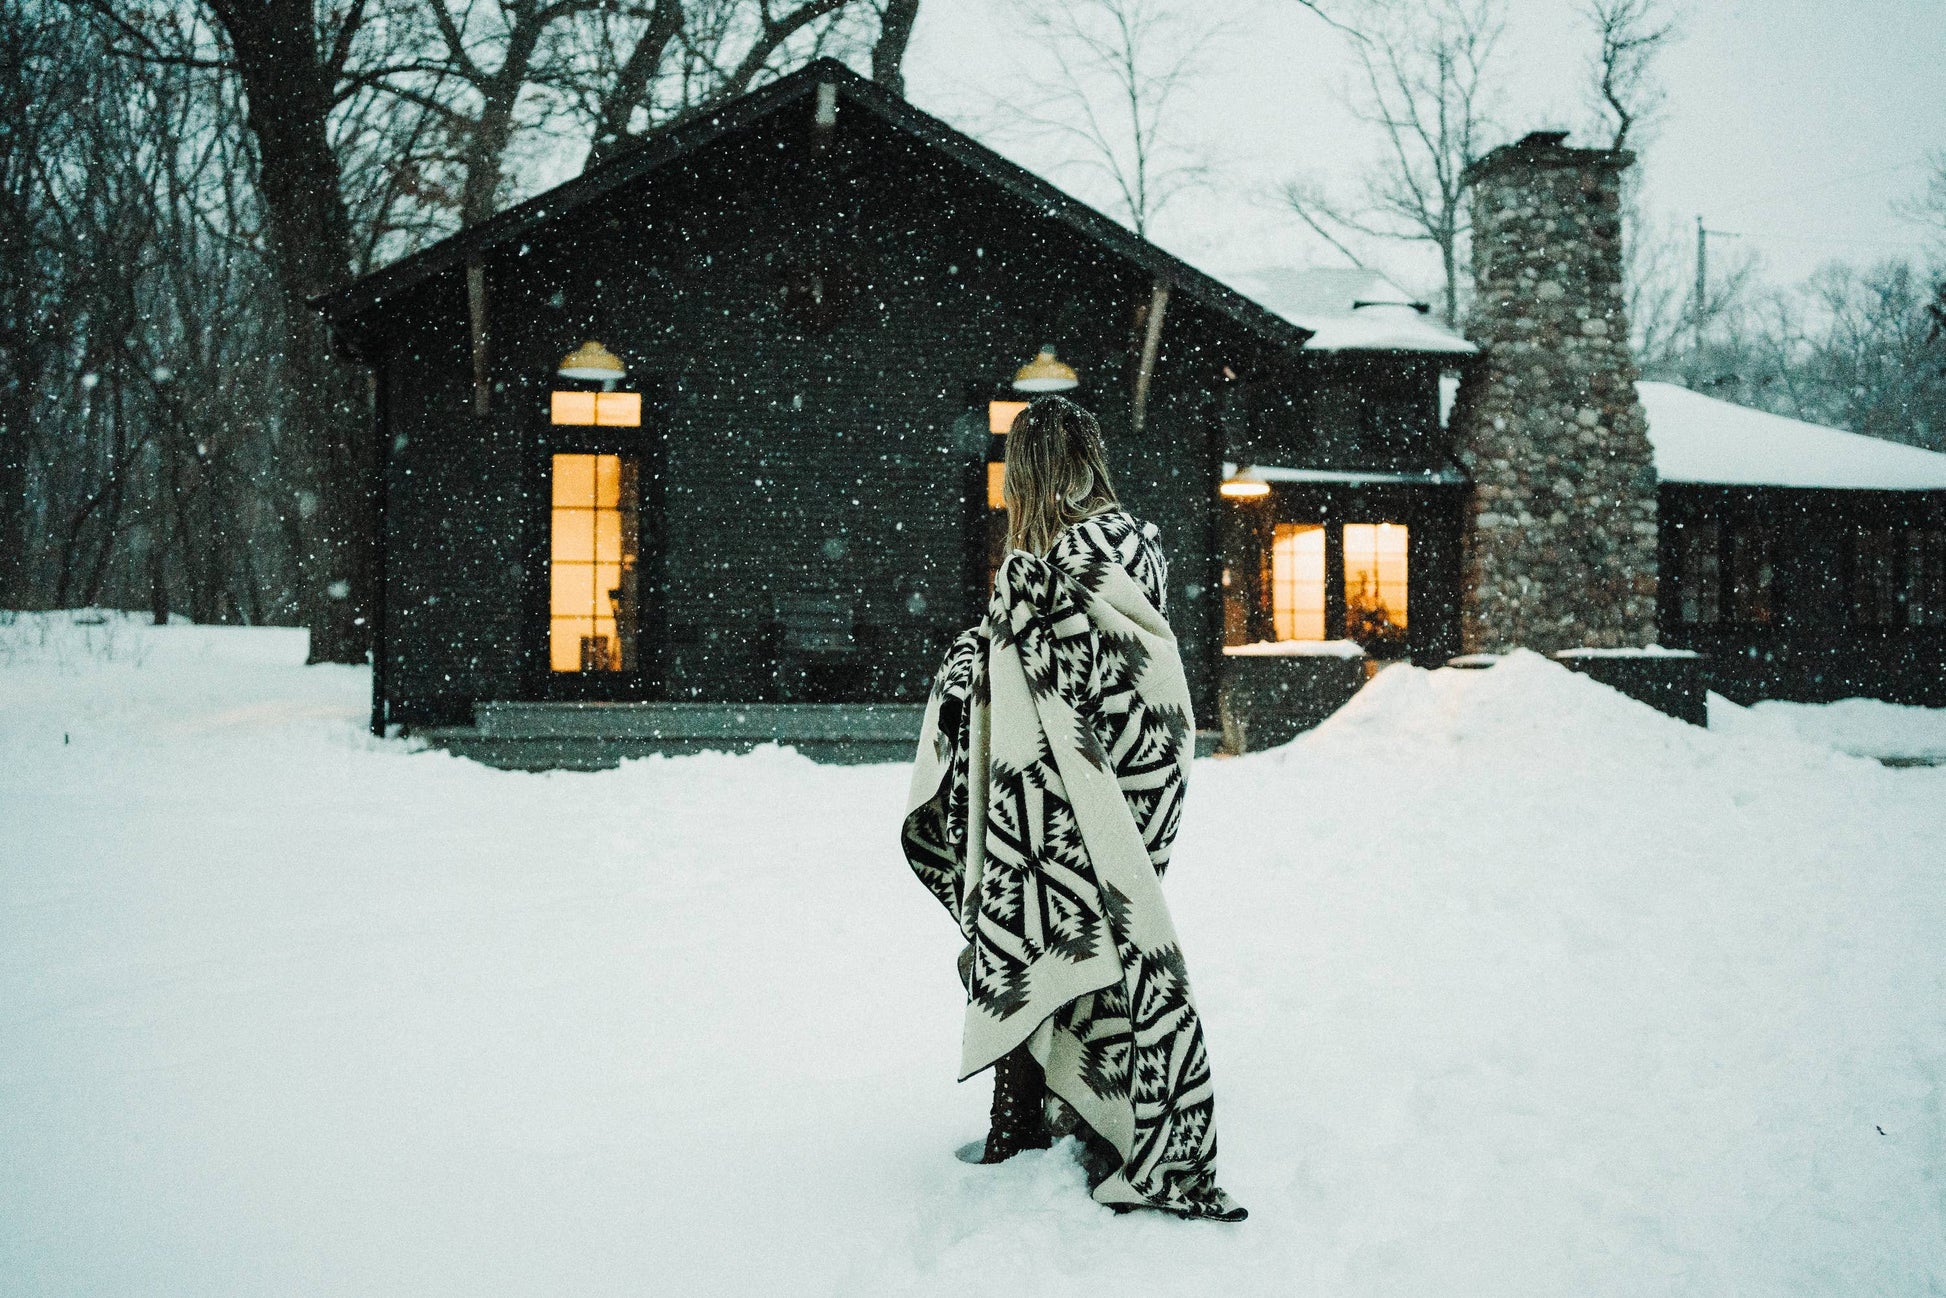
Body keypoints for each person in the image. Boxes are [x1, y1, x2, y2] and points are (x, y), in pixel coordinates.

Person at [900, 395, 1244, 1222]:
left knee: (1030, 923)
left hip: (1071, 784)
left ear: (1030, 477)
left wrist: (971, 668)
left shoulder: (1056, 567)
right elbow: (1119, 674)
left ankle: (1022, 1123)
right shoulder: (1136, 551)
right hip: (1146, 770)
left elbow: (1037, 680)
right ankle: (1087, 1107)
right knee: (1109, 937)